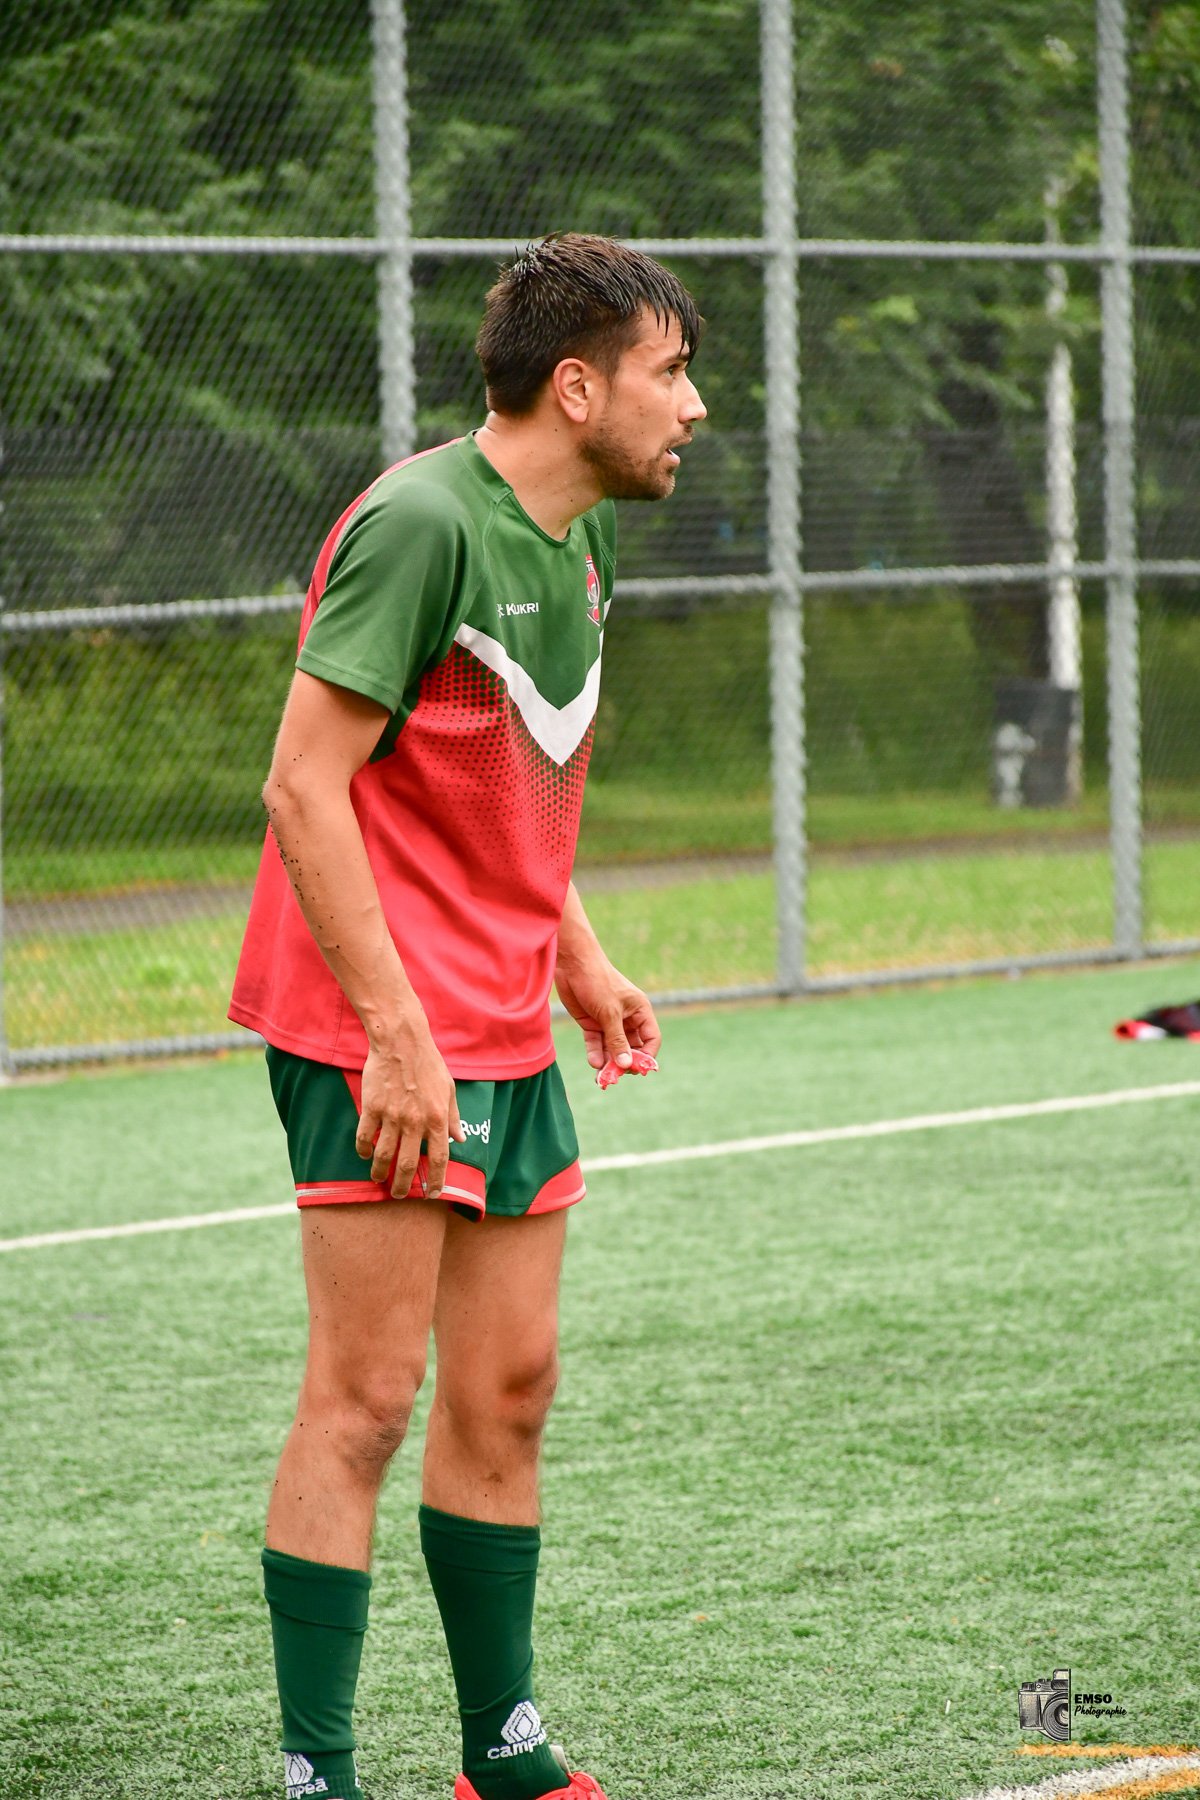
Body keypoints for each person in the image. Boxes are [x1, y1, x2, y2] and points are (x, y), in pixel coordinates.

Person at [228, 232, 706, 1800]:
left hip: (498, 1014)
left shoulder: (581, 543)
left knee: (511, 1389)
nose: (692, 406)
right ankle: (318, 1777)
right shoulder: (421, 522)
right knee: (364, 1401)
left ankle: (502, 1754)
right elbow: (304, 785)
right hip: (380, 1028)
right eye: (670, 372)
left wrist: (576, 952)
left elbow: (510, 772)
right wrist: (395, 1029)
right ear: (578, 388)